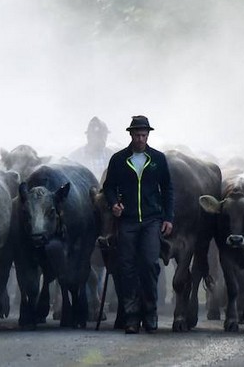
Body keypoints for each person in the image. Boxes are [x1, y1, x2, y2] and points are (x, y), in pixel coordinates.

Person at [102, 115, 174, 334]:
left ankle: (150, 314)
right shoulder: (118, 159)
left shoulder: (158, 159)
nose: (141, 139)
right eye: (137, 134)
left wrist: (168, 217)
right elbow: (108, 187)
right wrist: (114, 204)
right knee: (127, 268)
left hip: (152, 220)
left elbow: (168, 189)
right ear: (131, 135)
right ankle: (131, 317)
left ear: (148, 135)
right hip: (128, 220)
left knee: (150, 265)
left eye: (144, 135)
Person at [67, 116, 115, 181]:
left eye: (105, 135)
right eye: (99, 136)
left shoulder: (111, 155)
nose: (103, 139)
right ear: (89, 136)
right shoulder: (75, 157)